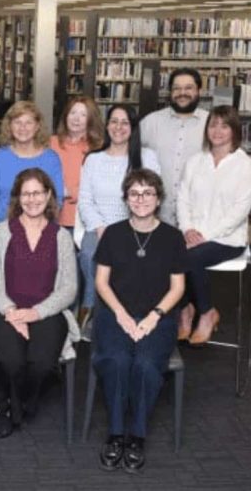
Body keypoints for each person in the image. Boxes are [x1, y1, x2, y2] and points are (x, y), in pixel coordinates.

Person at [93, 169, 186, 474]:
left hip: (156, 316)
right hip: (114, 313)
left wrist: (153, 317)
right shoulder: (114, 234)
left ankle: (137, 436)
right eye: (134, 193)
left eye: (147, 193)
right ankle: (116, 434)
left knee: (146, 364)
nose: (141, 199)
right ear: (126, 199)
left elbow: (178, 287)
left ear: (158, 198)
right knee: (118, 360)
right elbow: (102, 282)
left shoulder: (172, 237)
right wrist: (120, 314)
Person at [0, 168, 78, 439]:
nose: (32, 199)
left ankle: (12, 407)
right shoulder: (0, 232)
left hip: (47, 313)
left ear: (49, 196)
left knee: (42, 363)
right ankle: (21, 411)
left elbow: (69, 288)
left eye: (38, 193)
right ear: (17, 198)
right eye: (26, 193)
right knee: (12, 360)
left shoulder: (61, 237)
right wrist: (11, 311)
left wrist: (35, 313)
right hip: (4, 310)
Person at [78, 105, 161, 331]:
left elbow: (152, 196)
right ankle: (93, 307)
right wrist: (100, 226)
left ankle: (111, 311)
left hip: (136, 227)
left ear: (133, 128)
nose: (118, 127)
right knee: (89, 254)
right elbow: (84, 200)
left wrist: (127, 228)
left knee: (133, 260)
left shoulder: (146, 158)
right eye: (113, 121)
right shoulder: (93, 160)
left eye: (125, 122)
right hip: (99, 228)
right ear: (106, 125)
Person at [176, 105, 251, 344]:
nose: (217, 130)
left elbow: (240, 210)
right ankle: (186, 309)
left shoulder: (245, 165)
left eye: (224, 125)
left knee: (191, 257)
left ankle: (205, 311)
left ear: (234, 130)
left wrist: (204, 235)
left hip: (227, 239)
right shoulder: (195, 161)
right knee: (168, 252)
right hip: (191, 235)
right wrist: (187, 228)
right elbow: (182, 198)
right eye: (213, 124)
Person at [140, 68, 209, 225]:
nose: (182, 93)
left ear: (199, 91)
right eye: (176, 88)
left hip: (197, 218)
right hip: (156, 216)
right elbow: (129, 156)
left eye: (188, 88)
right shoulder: (151, 122)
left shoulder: (211, 124)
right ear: (169, 92)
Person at [0, 101, 64, 225]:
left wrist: (37, 225)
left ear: (37, 126)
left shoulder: (51, 159)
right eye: (17, 122)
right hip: (4, 226)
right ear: (9, 126)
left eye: (28, 123)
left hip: (42, 228)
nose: (23, 128)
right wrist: (13, 224)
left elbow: (57, 199)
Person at [49, 96, 103, 231]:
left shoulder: (98, 148)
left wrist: (72, 192)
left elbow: (101, 184)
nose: (76, 119)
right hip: (51, 216)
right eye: (73, 113)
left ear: (91, 120)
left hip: (82, 220)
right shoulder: (51, 143)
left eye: (83, 115)